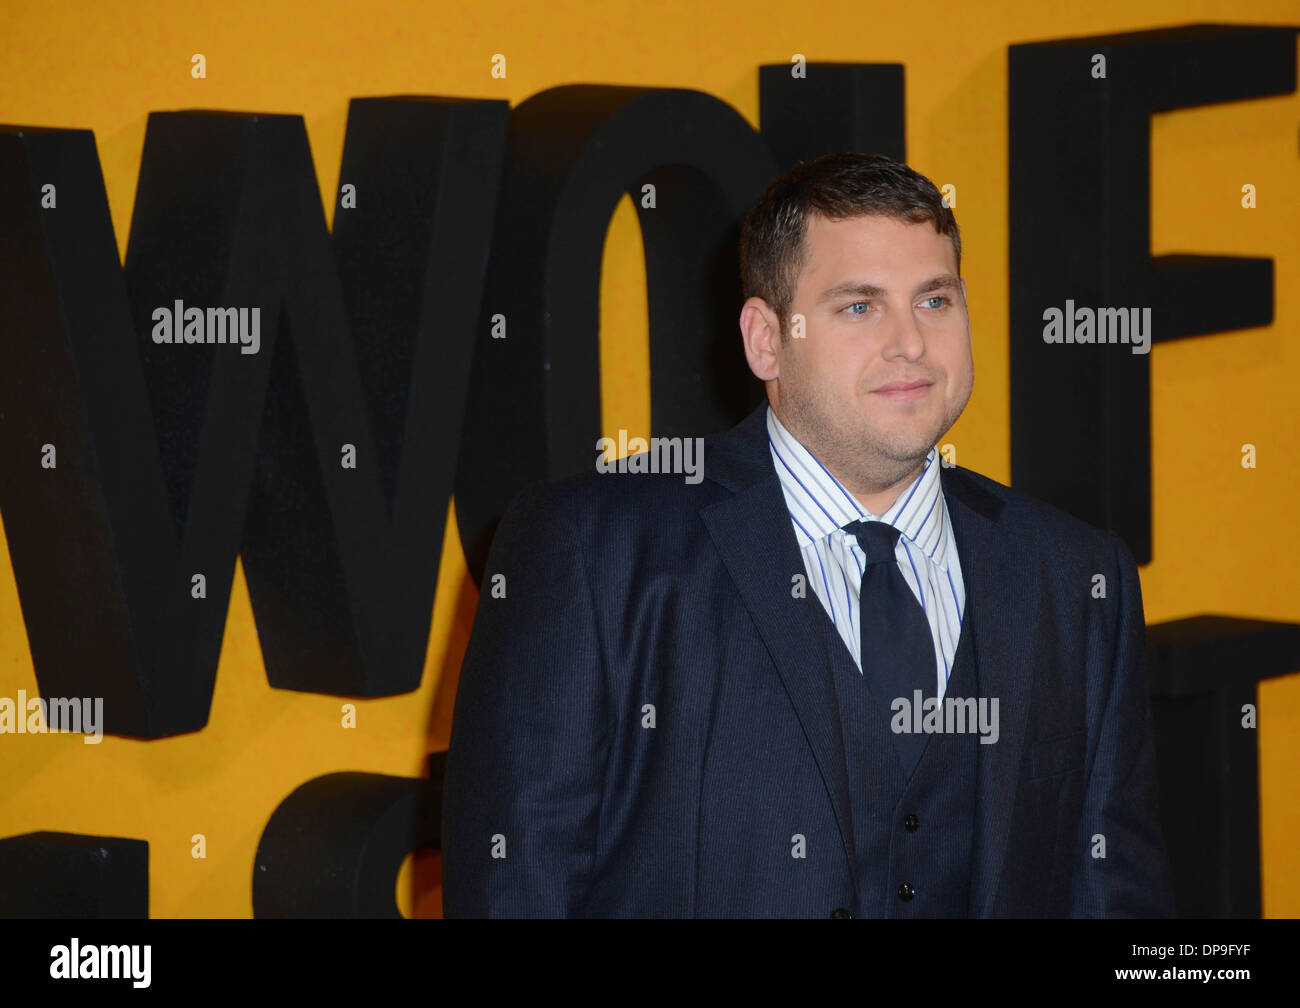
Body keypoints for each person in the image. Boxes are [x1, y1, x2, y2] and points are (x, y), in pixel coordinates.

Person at [440, 152, 1174, 917]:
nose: (911, 343)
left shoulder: (1074, 575)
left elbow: (1117, 894)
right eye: (859, 307)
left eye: (934, 300)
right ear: (765, 339)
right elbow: (515, 890)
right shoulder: (591, 549)